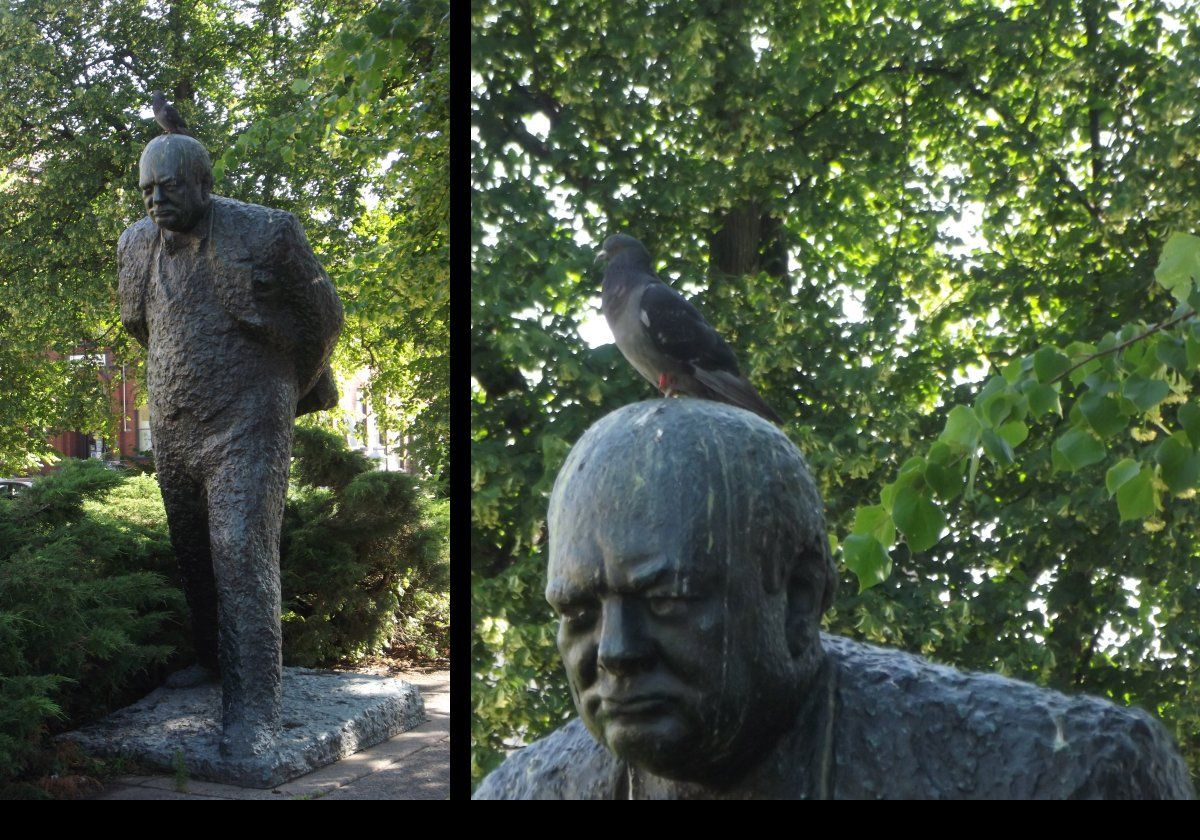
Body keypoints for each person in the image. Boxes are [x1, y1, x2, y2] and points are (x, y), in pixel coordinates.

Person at [474, 399, 1195, 799]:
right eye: (578, 612)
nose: (616, 652)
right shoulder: (521, 796)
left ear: (798, 601)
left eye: (669, 597)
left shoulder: (1064, 779)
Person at [118, 133, 342, 759]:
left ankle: (254, 712)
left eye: (169, 188)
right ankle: (214, 661)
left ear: (204, 184)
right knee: (192, 549)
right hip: (176, 419)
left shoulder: (268, 233)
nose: (156, 200)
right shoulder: (135, 244)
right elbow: (143, 325)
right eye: (147, 190)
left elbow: (326, 317)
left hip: (251, 418)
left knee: (241, 550)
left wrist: (285, 392)